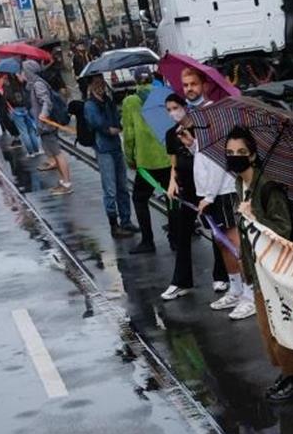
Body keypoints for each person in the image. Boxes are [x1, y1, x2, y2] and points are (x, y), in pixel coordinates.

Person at [226, 125, 293, 403]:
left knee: (281, 327)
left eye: (240, 152)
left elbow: (282, 229)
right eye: (229, 152)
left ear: (253, 156)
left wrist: (253, 218)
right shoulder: (240, 184)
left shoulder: (268, 188)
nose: (234, 157)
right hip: (258, 269)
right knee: (267, 329)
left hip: (276, 271)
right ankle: (287, 373)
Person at [182, 66, 253, 319]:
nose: (189, 88)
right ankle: (234, 289)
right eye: (185, 84)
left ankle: (249, 293)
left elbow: (221, 161)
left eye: (193, 84)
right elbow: (205, 155)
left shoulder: (213, 115)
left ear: (204, 85)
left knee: (235, 243)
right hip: (209, 191)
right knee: (222, 244)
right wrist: (192, 147)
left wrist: (209, 196)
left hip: (221, 191)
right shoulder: (196, 116)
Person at [161, 98, 229, 299]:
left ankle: (221, 275)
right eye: (169, 110)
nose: (173, 112)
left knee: (217, 231)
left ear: (185, 108)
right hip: (185, 188)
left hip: (205, 187)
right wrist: (172, 183)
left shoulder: (201, 129)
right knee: (182, 233)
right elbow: (173, 162)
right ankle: (180, 281)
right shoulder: (170, 134)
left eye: (176, 108)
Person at [122, 67, 172, 253]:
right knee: (171, 197)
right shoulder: (164, 95)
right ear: (152, 79)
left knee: (140, 199)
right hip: (167, 157)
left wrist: (130, 158)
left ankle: (148, 241)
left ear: (135, 80)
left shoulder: (130, 102)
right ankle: (176, 237)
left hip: (146, 161)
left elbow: (128, 134)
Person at [84, 75, 136, 237]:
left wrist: (118, 124)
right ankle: (114, 226)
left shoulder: (108, 101)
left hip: (114, 146)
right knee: (110, 189)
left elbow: (116, 118)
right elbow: (96, 122)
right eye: (97, 84)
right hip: (103, 148)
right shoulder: (90, 105)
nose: (101, 87)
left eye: (102, 83)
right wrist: (109, 129)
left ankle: (126, 220)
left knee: (122, 186)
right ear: (91, 87)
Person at [18, 59, 73, 195]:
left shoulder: (38, 84)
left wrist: (43, 116)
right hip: (43, 126)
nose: (23, 73)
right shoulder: (33, 84)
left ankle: (66, 183)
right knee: (54, 154)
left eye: (24, 71)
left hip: (46, 125)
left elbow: (46, 102)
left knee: (58, 154)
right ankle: (62, 182)